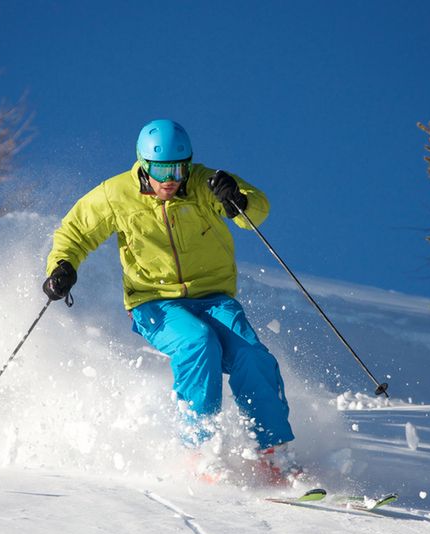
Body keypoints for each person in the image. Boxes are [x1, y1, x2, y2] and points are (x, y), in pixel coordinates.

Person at [42, 118, 298, 486]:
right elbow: (75, 230)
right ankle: (200, 451)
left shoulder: (206, 184)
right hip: (154, 302)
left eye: (179, 168)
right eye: (161, 169)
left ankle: (274, 455)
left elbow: (257, 210)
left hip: (213, 297)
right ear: (144, 165)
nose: (170, 179)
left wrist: (237, 200)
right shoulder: (116, 195)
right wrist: (62, 266)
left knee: (251, 355)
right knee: (198, 343)